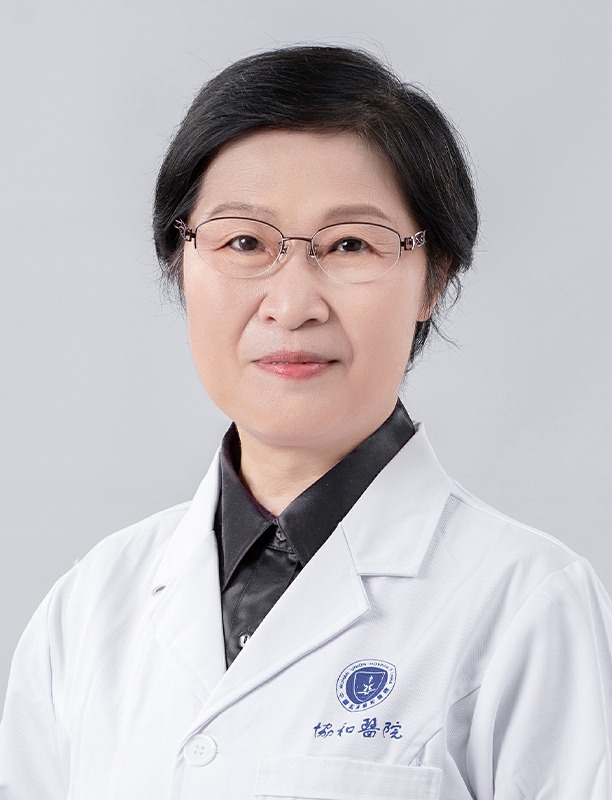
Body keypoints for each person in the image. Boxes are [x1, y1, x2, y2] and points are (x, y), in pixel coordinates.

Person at [0, 44, 610, 800]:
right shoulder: (92, 605)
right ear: (179, 264)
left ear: (434, 277)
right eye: (244, 242)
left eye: (350, 244)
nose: (292, 305)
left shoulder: (525, 603)